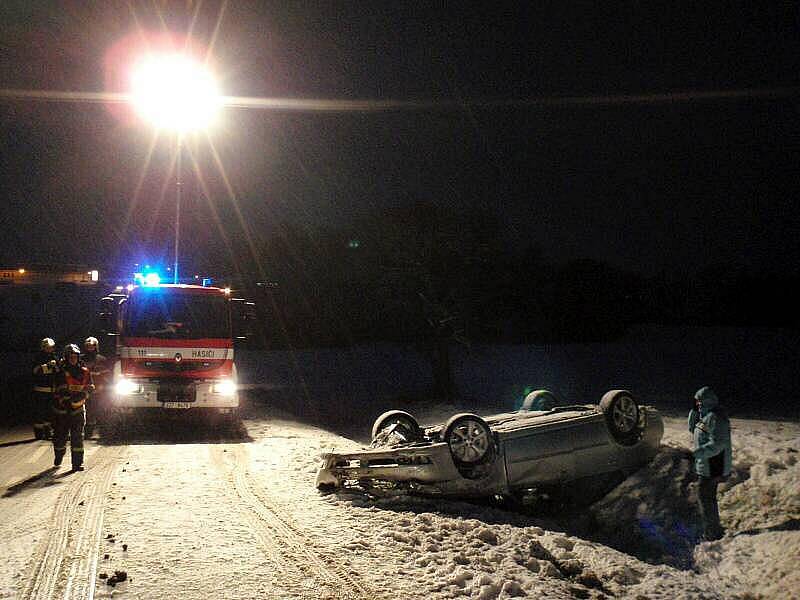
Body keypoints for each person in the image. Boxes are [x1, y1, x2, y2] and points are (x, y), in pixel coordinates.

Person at [688, 386, 732, 540]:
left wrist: (698, 453)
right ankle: (713, 529)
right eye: (696, 402)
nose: (698, 404)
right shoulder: (705, 417)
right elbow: (692, 429)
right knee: (707, 497)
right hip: (707, 464)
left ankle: (713, 534)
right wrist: (694, 411)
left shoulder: (716, 417)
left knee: (705, 498)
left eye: (699, 402)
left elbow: (718, 443)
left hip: (714, 465)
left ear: (707, 401)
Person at [52, 344, 93, 471]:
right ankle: (59, 454)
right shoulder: (60, 372)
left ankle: (77, 463)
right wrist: (66, 400)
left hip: (78, 408)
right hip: (62, 410)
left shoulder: (85, 372)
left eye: (75, 356)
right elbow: (57, 390)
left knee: (77, 437)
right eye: (71, 357)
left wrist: (83, 396)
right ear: (66, 357)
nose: (73, 359)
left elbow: (90, 387)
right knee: (60, 436)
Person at [31, 337, 58, 440]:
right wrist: (47, 366)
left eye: (51, 347)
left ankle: (48, 433)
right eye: (47, 347)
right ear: (43, 347)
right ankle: (39, 434)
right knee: (39, 412)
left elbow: (58, 371)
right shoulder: (38, 358)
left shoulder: (54, 357)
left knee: (50, 413)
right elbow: (35, 371)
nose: (49, 349)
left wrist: (55, 366)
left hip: (51, 390)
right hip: (40, 389)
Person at [81, 336, 109, 437]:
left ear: (96, 346)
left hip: (99, 390)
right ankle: (88, 432)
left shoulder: (101, 359)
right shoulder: (81, 359)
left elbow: (107, 374)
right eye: (88, 346)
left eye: (92, 346)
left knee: (100, 410)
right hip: (84, 390)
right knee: (87, 411)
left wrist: (99, 374)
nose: (90, 348)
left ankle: (103, 431)